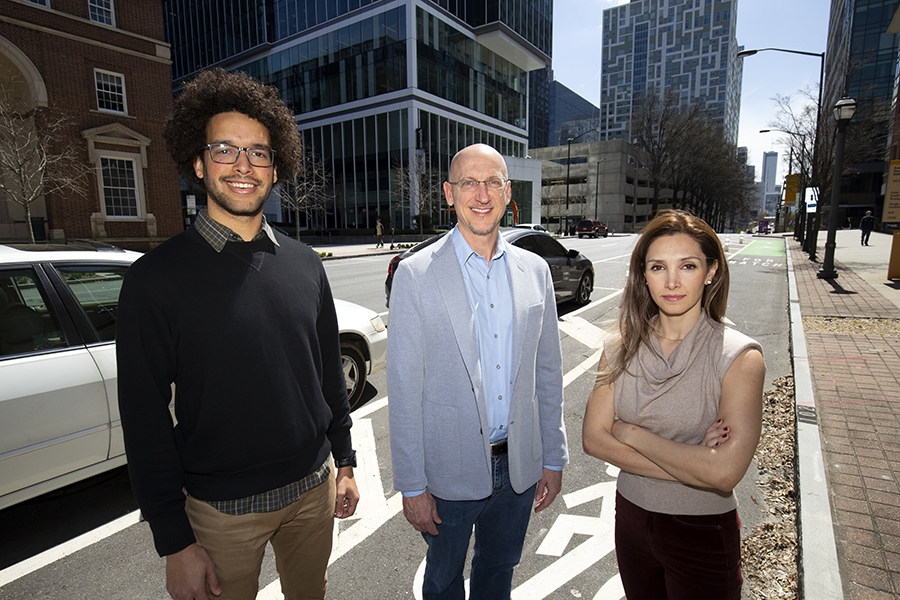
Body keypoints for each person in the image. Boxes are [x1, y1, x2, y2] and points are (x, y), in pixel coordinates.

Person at [116, 68, 359, 600]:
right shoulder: (153, 279)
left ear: (276, 169)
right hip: (220, 514)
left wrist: (344, 462)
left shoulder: (304, 264)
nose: (244, 165)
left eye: (259, 153)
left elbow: (327, 376)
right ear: (198, 164)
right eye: (225, 150)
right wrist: (173, 542)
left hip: (313, 494)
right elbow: (144, 418)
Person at [387, 143, 568, 600]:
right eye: (469, 182)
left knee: (499, 569)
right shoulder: (415, 275)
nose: (481, 194)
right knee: (443, 579)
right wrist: (412, 485)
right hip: (447, 473)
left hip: (518, 465)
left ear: (509, 194)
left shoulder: (536, 271)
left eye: (493, 182)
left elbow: (547, 371)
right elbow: (405, 391)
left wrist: (553, 456)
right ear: (449, 193)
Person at [582, 210, 765, 599]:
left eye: (688, 265)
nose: (671, 281)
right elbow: (594, 440)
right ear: (642, 275)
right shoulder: (619, 346)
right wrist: (694, 461)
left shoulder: (739, 357)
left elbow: (724, 474)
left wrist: (628, 432)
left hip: (700, 528)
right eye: (657, 267)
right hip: (630, 517)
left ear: (711, 271)